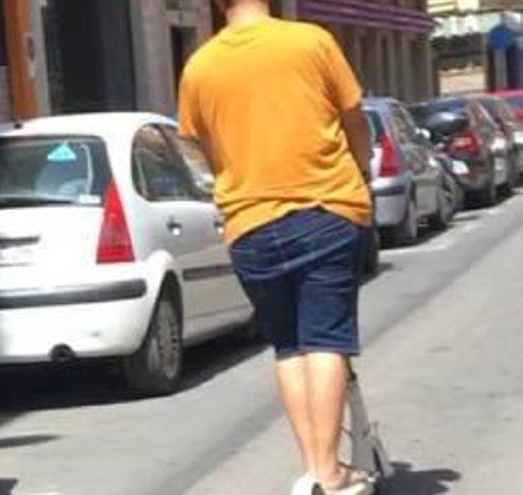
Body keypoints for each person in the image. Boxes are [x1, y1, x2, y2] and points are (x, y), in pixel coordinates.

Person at [177, 1, 374, 494]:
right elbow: (354, 119)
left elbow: (196, 148)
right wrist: (362, 168)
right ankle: (331, 475)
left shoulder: (199, 66)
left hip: (250, 227)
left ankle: (314, 469)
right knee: (325, 340)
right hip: (325, 208)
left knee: (288, 346)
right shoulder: (310, 42)